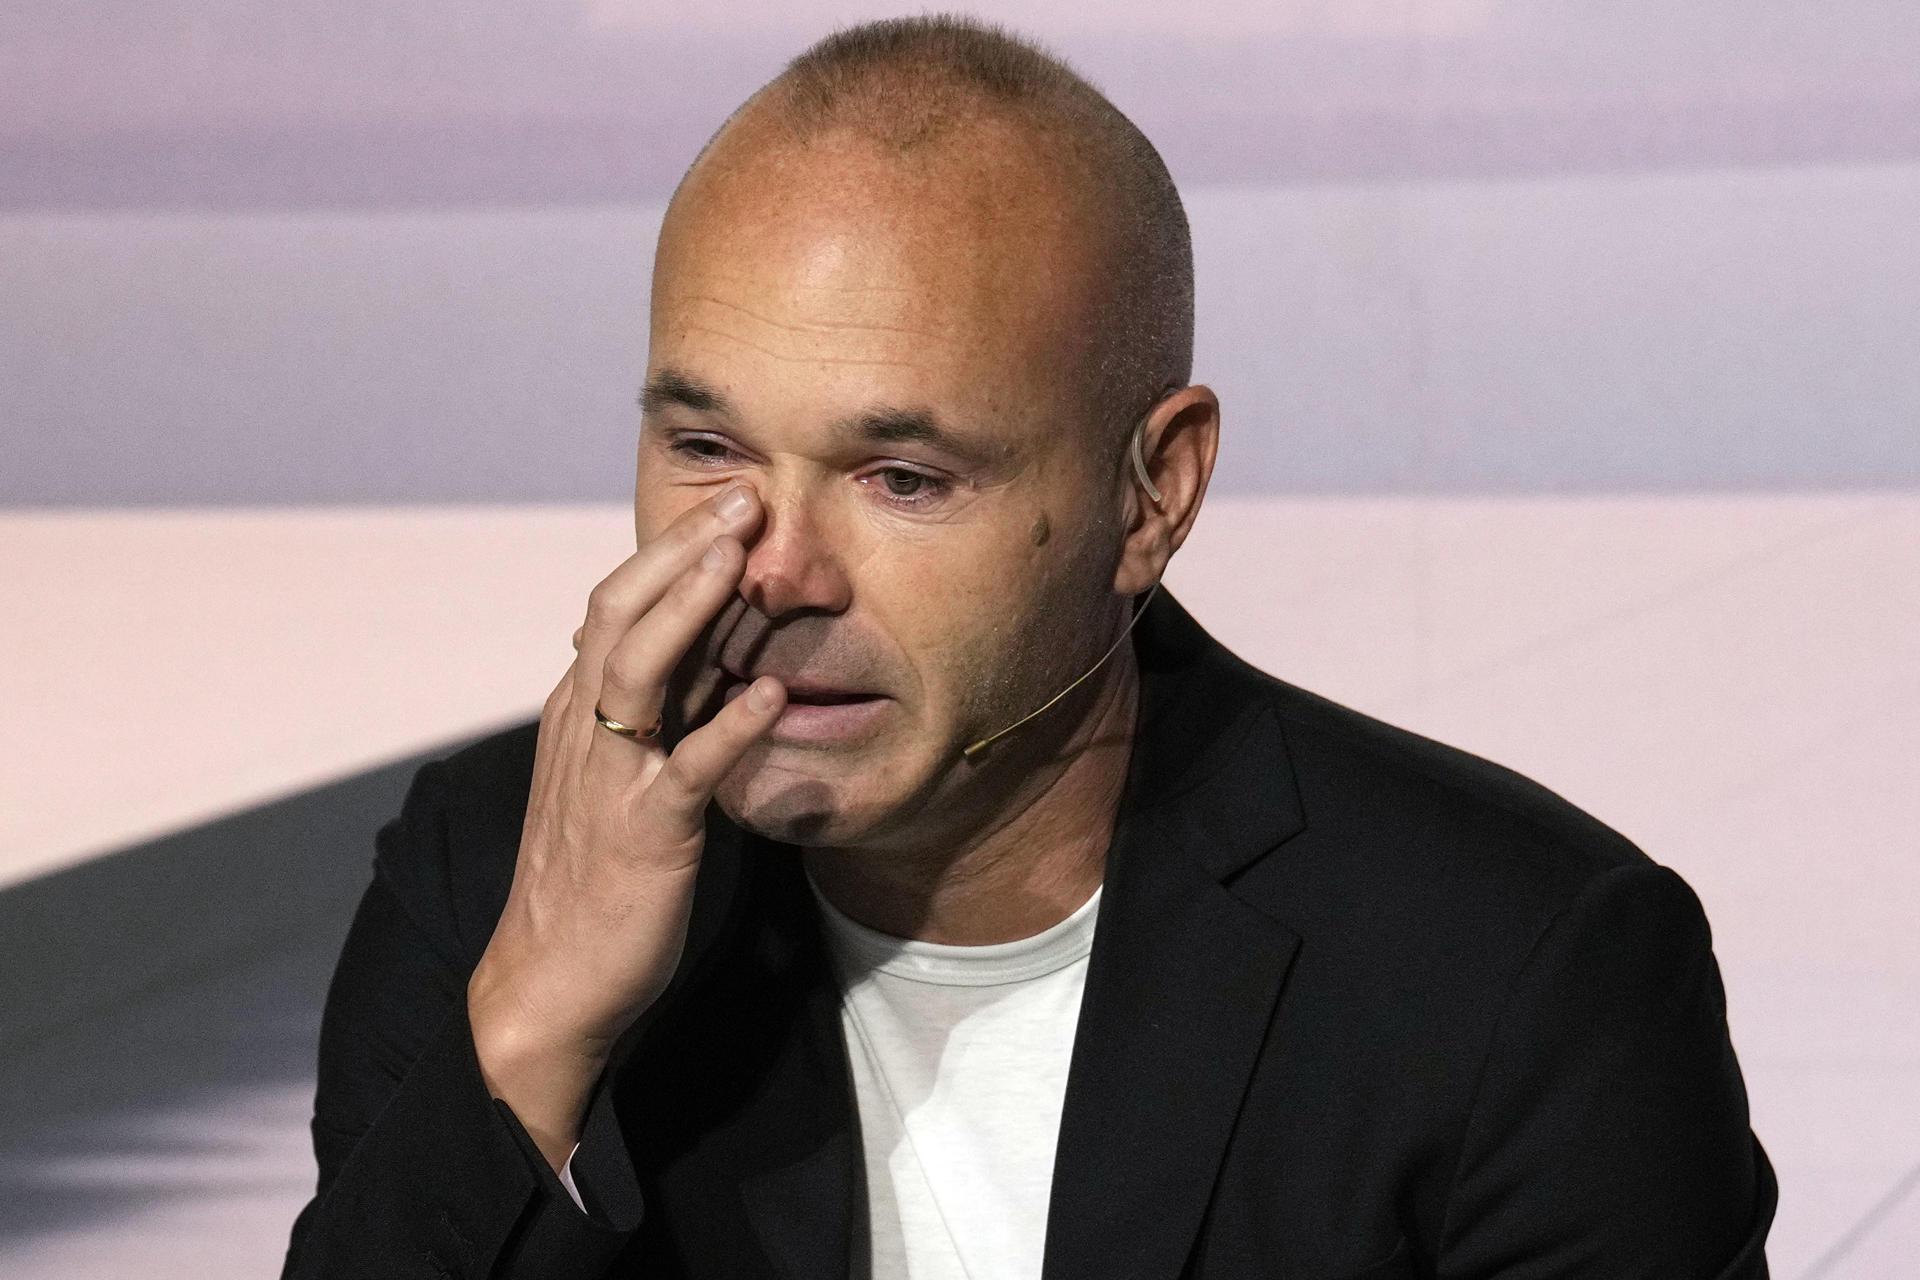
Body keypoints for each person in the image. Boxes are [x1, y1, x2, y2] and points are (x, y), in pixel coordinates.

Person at [281, 14, 1777, 1279]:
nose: (774, 569)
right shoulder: (494, 881)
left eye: (903, 478)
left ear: (1153, 494)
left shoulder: (1516, 971)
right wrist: (535, 1033)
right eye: (707, 448)